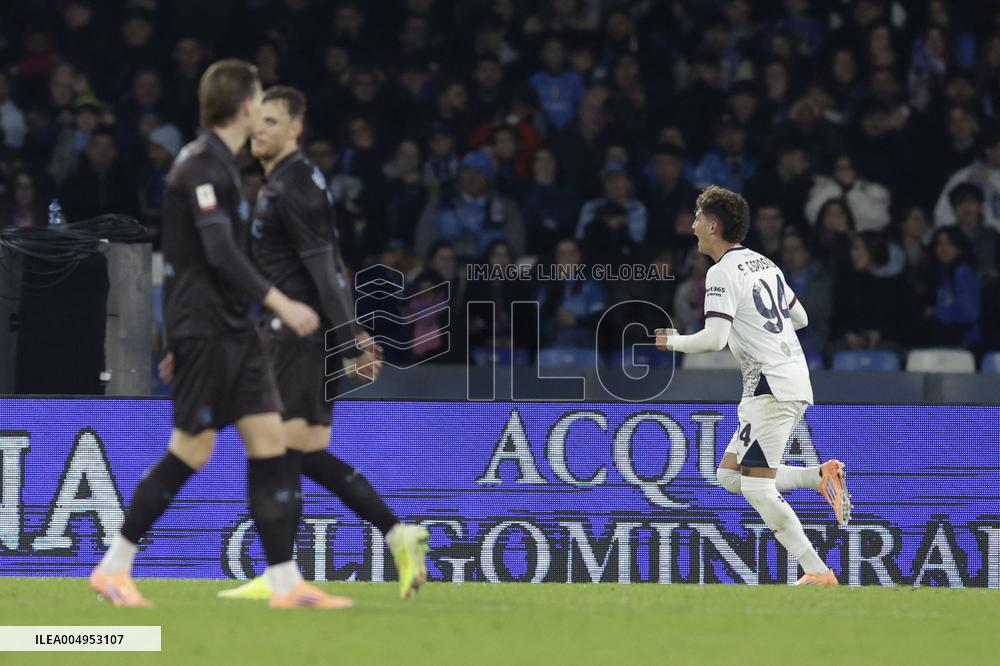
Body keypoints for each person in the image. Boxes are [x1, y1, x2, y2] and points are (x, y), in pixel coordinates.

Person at [89, 60, 340, 609]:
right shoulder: (201, 165)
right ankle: (114, 566)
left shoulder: (223, 166)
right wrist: (280, 303)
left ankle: (284, 582)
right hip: (206, 329)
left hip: (232, 330)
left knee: (271, 441)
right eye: (259, 101)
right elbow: (220, 254)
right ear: (246, 106)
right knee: (191, 451)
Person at [218, 85, 430, 601]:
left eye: (272, 121)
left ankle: (286, 575)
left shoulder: (293, 186)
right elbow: (326, 265)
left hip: (294, 338)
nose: (259, 129)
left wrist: (353, 338)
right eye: (256, 120)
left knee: (275, 453)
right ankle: (392, 534)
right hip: (305, 338)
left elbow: (324, 268)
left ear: (296, 128)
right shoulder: (293, 181)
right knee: (303, 453)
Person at [655, 185, 850, 586]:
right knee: (730, 477)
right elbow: (801, 319)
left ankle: (818, 573)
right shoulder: (765, 263)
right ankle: (818, 477)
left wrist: (670, 340)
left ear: (713, 225)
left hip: (772, 386)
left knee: (757, 488)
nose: (692, 225)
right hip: (781, 378)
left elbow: (713, 339)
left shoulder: (721, 272)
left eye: (697, 217)